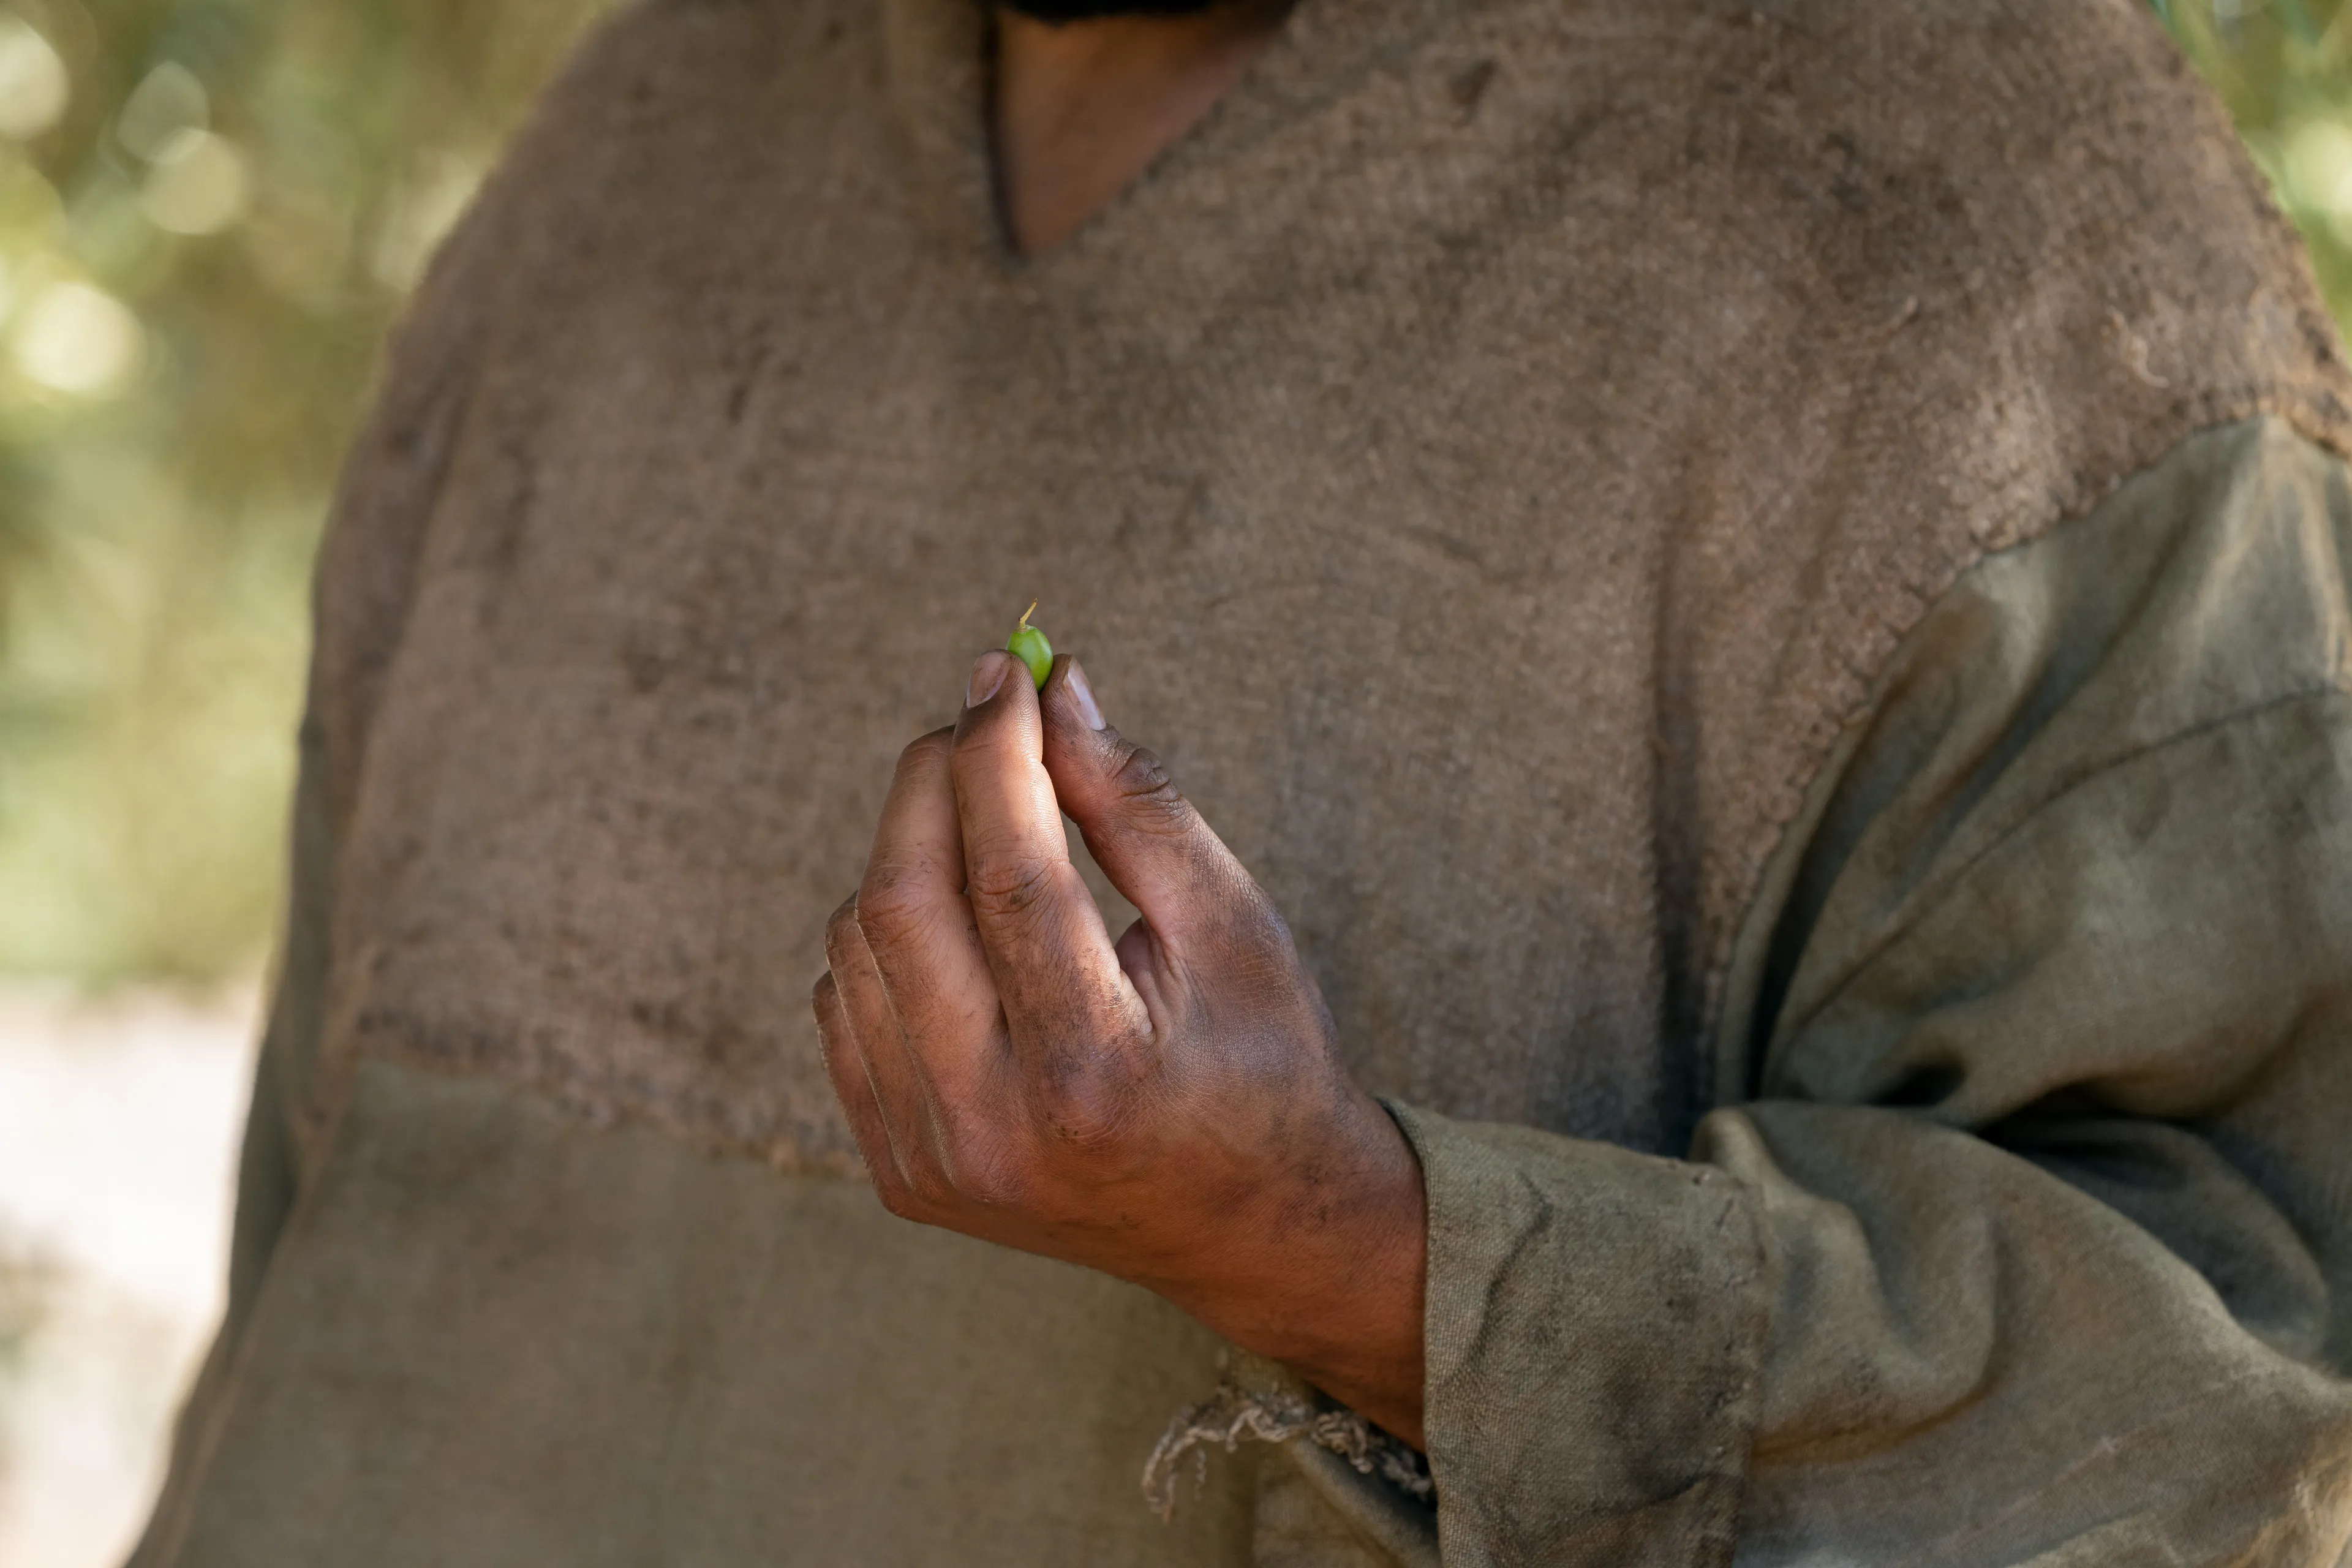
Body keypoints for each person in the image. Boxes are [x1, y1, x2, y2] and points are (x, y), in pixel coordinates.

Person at [132, 0, 2352, 1562]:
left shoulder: (2016, 250)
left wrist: (1358, 1260)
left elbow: (2238, 1409)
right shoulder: (635, 148)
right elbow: (319, 1218)